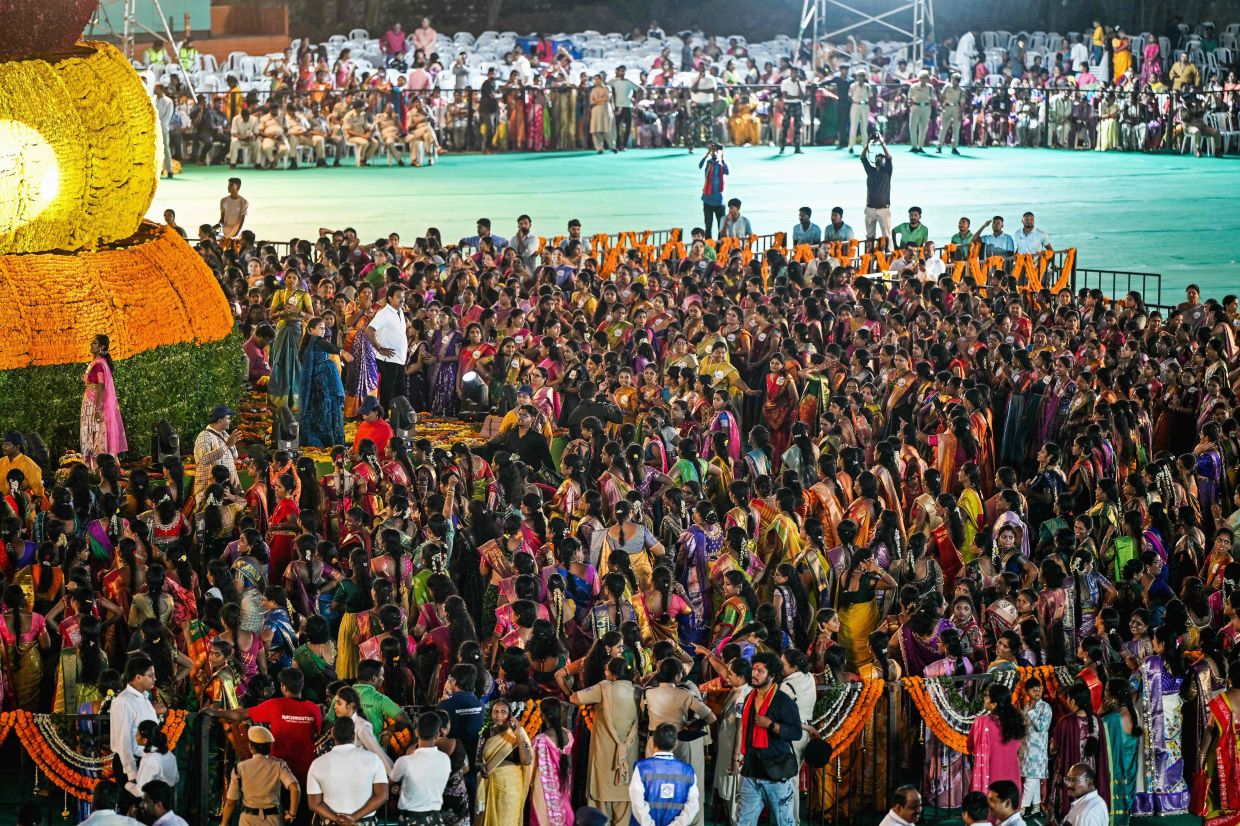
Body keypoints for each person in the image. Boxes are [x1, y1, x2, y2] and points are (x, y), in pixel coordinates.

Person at [569, 656, 640, 826]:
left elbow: (575, 698)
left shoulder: (603, 688)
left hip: (604, 753)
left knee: (600, 794)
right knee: (624, 796)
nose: (605, 673)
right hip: (628, 754)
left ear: (614, 674)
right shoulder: (638, 691)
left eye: (607, 670)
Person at [735, 652, 802, 826]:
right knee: (744, 822)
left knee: (783, 822)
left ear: (772, 675)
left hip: (775, 772)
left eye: (760, 671)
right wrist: (739, 758)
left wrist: (772, 725)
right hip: (750, 770)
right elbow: (745, 730)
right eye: (754, 669)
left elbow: (796, 733)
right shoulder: (749, 697)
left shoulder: (783, 701)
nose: (754, 674)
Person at [306, 717, 389, 826]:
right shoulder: (374, 759)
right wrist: (352, 818)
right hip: (364, 823)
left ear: (332, 734)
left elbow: (314, 804)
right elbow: (382, 796)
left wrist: (337, 819)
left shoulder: (317, 764)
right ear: (354, 735)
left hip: (332, 823)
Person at [218, 725, 301, 826]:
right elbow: (295, 788)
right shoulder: (278, 765)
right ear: (270, 747)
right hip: (273, 820)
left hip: (248, 821)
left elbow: (231, 801)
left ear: (251, 747)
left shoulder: (239, 768)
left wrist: (223, 823)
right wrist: (292, 814)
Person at [110, 655, 159, 811]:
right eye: (150, 675)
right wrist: (132, 774)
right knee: (132, 810)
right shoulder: (124, 701)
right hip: (131, 764)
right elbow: (122, 742)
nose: (154, 679)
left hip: (144, 762)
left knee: (145, 810)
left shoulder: (143, 697)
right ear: (138, 677)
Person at [629, 723, 700, 826]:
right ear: (675, 744)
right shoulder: (688, 771)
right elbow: (693, 806)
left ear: (653, 743)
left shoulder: (641, 768)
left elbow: (637, 803)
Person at [389, 711, 452, 825]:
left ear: (416, 732)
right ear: (437, 735)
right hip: (435, 819)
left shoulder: (405, 761)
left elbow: (390, 783)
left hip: (410, 819)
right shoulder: (445, 760)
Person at [80, 334, 127, 468]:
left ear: (102, 347)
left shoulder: (99, 364)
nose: (91, 345)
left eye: (94, 343)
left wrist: (98, 409)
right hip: (90, 402)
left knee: (95, 434)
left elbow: (101, 386)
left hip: (94, 405)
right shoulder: (96, 362)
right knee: (92, 433)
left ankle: (96, 467)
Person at [365, 283, 408, 416]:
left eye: (403, 297)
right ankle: (382, 420)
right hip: (388, 359)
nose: (402, 299)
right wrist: (379, 348)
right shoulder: (384, 313)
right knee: (387, 392)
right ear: (389, 298)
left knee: (400, 392)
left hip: (399, 359)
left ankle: (398, 420)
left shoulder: (399, 311)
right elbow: (369, 330)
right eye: (398, 297)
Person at [860, 134, 892, 248]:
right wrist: (868, 143)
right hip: (870, 208)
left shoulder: (887, 172)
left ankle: (887, 258)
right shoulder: (870, 171)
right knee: (869, 237)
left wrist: (882, 143)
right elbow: (863, 157)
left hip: (883, 209)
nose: (878, 158)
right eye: (877, 157)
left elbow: (889, 157)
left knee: (886, 236)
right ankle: (869, 258)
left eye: (881, 157)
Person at [698, 143, 728, 239]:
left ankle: (721, 248)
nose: (714, 153)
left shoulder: (722, 164)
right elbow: (700, 165)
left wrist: (722, 159)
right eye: (713, 151)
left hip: (719, 201)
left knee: (721, 226)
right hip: (707, 200)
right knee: (708, 226)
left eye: (716, 151)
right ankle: (708, 247)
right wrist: (707, 154)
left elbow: (727, 172)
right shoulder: (708, 163)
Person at [907, 71, 935, 153]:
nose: (924, 80)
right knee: (912, 127)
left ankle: (920, 146)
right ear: (919, 79)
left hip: (925, 107)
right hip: (915, 106)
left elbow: (933, 98)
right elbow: (909, 97)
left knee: (923, 128)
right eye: (922, 78)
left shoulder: (930, 87)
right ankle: (914, 146)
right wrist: (910, 105)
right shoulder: (914, 87)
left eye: (926, 78)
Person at [938, 74, 964, 154]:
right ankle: (939, 146)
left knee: (956, 128)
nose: (954, 81)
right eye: (953, 79)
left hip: (956, 108)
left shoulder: (961, 90)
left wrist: (960, 113)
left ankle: (954, 147)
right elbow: (942, 96)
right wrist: (941, 107)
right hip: (947, 107)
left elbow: (962, 103)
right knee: (943, 128)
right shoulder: (947, 87)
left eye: (956, 80)